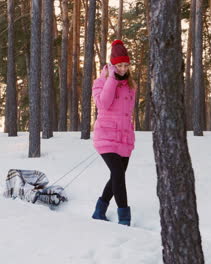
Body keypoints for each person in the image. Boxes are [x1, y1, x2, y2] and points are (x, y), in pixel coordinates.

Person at [91, 39, 136, 226]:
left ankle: (99, 211)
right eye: (119, 65)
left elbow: (127, 113)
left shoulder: (130, 85)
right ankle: (124, 218)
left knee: (116, 176)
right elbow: (103, 104)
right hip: (106, 137)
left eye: (126, 65)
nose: (123, 69)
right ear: (112, 65)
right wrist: (111, 78)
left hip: (124, 138)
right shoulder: (100, 82)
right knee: (118, 173)